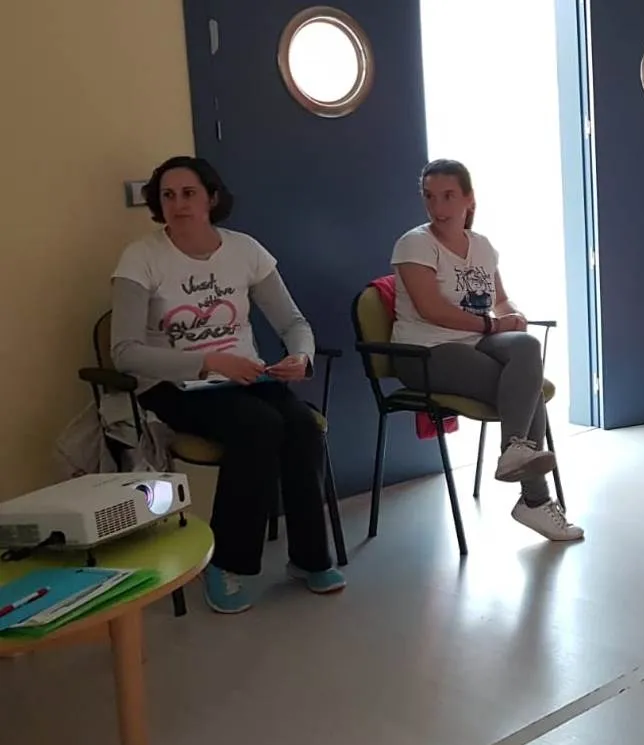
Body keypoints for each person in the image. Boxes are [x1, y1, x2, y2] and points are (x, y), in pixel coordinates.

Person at [110, 155, 344, 614]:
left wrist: (301, 356)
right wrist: (207, 361)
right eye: (168, 196)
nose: (178, 204)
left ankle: (310, 558)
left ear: (211, 198)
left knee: (302, 427)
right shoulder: (142, 257)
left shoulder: (245, 250)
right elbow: (124, 352)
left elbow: (294, 322)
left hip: (245, 377)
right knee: (258, 427)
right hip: (172, 386)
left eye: (189, 193)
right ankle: (227, 563)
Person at [390, 159, 582, 542]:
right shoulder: (414, 243)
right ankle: (534, 499)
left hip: (474, 340)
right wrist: (494, 325)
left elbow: (501, 301)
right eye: (430, 197)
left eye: (448, 197)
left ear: (469, 200)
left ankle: (515, 451)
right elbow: (432, 310)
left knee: (525, 346)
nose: (438, 208)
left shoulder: (482, 247)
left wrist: (514, 316)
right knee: (526, 390)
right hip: (425, 351)